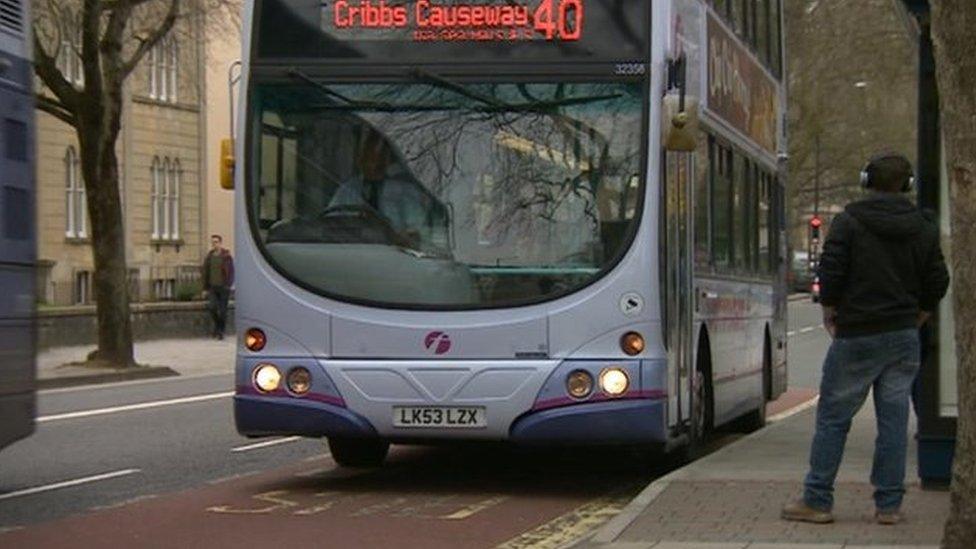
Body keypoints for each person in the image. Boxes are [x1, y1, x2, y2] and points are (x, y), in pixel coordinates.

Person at [781, 152, 949, 526]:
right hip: (903, 335)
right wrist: (918, 315)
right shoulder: (923, 226)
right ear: (907, 186)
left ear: (865, 180)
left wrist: (830, 310)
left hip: (857, 333)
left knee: (833, 418)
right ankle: (889, 505)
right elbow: (938, 279)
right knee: (894, 419)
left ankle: (817, 498)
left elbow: (832, 270)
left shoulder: (849, 221)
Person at [202, 234, 235, 340]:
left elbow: (231, 271)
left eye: (216, 242)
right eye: (212, 242)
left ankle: (221, 331)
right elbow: (205, 273)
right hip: (212, 287)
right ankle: (217, 326)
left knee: (223, 311)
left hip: (223, 287)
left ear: (220, 243)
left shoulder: (226, 256)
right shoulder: (209, 257)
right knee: (212, 308)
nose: (214, 244)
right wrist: (204, 288)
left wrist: (228, 284)